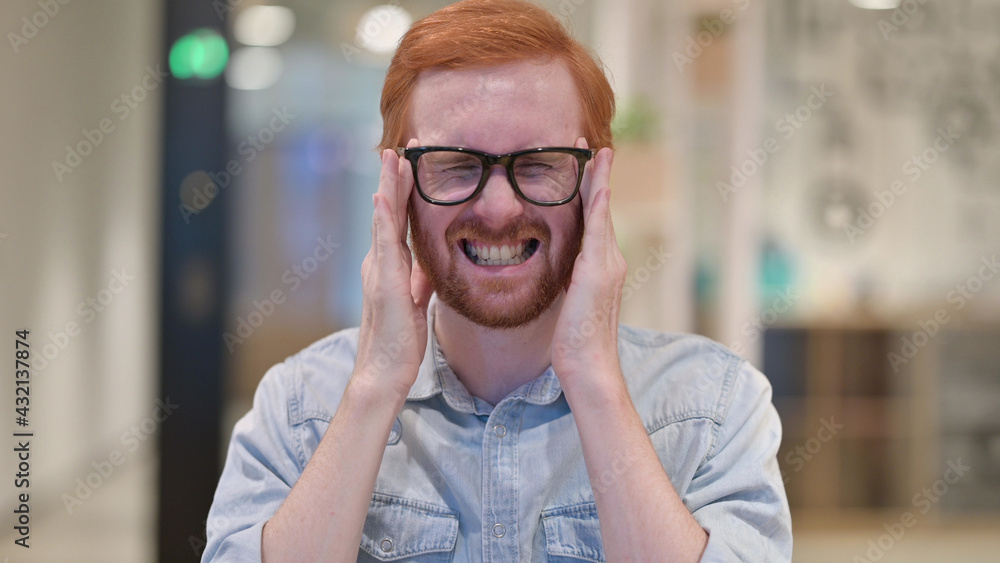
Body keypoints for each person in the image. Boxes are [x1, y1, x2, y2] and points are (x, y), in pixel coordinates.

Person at [203, 1, 792, 561]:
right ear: (397, 189)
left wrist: (592, 377)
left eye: (538, 164)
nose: (499, 209)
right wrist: (377, 384)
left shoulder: (713, 409)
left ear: (595, 183)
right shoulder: (302, 408)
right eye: (457, 166)